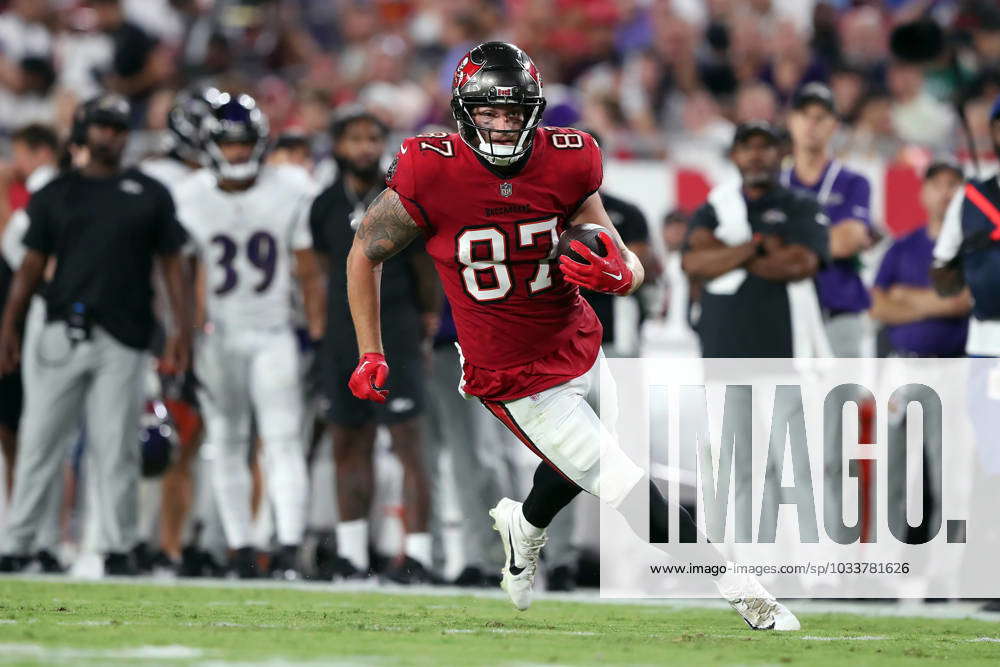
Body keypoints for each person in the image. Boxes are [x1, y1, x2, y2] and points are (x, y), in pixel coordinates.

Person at [346, 42, 799, 630]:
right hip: (513, 374)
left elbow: (620, 253)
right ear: (464, 112)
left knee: (582, 464)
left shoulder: (568, 158)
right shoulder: (429, 168)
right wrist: (370, 349)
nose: (504, 126)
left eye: (515, 113)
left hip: (578, 339)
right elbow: (364, 252)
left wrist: (623, 273)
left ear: (536, 111)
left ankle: (524, 527)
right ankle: (744, 590)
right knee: (621, 481)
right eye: (490, 113)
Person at [0, 93, 191, 576]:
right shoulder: (55, 192)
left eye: (118, 126)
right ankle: (23, 541)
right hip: (61, 328)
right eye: (102, 126)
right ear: (82, 131)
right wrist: (9, 323)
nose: (110, 135)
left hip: (124, 334)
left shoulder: (149, 192)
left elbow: (172, 265)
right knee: (40, 440)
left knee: (117, 445)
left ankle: (118, 544)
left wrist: (181, 328)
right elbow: (30, 266)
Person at [173, 91, 324, 580]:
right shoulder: (189, 193)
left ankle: (287, 545)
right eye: (229, 143)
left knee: (281, 440)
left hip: (274, 331)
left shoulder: (290, 188)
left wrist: (317, 335)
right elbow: (182, 275)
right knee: (227, 438)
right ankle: (238, 547)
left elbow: (308, 272)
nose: (237, 152)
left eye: (244, 143)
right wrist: (185, 337)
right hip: (217, 334)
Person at [308, 107, 439, 583]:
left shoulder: (401, 199)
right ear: (338, 146)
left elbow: (427, 273)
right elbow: (322, 272)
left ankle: (419, 555)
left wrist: (427, 324)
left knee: (408, 442)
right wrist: (321, 328)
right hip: (344, 336)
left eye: (373, 139)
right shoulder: (323, 203)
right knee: (348, 440)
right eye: (355, 139)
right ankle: (352, 555)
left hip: (398, 331)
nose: (364, 147)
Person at [930, 95, 1000, 613]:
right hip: (988, 348)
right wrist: (978, 253)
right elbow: (943, 270)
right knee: (993, 463)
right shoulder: (972, 200)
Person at [683, 121, 830, 358]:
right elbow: (692, 265)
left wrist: (722, 252)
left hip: (787, 353)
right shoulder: (713, 209)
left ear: (783, 152)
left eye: (765, 147)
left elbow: (801, 265)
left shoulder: (801, 206)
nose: (755, 155)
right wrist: (755, 247)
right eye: (746, 148)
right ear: (734, 155)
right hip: (724, 349)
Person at [782, 83, 874, 357]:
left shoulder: (853, 182)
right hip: (787, 315)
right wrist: (828, 238)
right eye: (804, 115)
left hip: (838, 310)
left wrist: (785, 245)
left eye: (820, 117)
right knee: (789, 398)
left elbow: (850, 240)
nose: (811, 124)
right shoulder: (776, 183)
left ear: (834, 124)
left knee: (841, 398)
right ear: (791, 122)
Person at [0, 124, 58, 500]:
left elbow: (16, 249)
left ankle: (45, 531)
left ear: (42, 153)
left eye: (21, 154)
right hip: (30, 321)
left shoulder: (50, 191)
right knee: (18, 431)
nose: (15, 164)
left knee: (39, 431)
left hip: (44, 319)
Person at [871, 161, 970, 357]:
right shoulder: (901, 247)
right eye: (936, 185)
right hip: (904, 365)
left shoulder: (973, 247)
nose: (944, 193)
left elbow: (961, 302)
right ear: (923, 193)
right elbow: (875, 305)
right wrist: (935, 305)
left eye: (952, 184)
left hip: (956, 365)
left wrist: (902, 296)